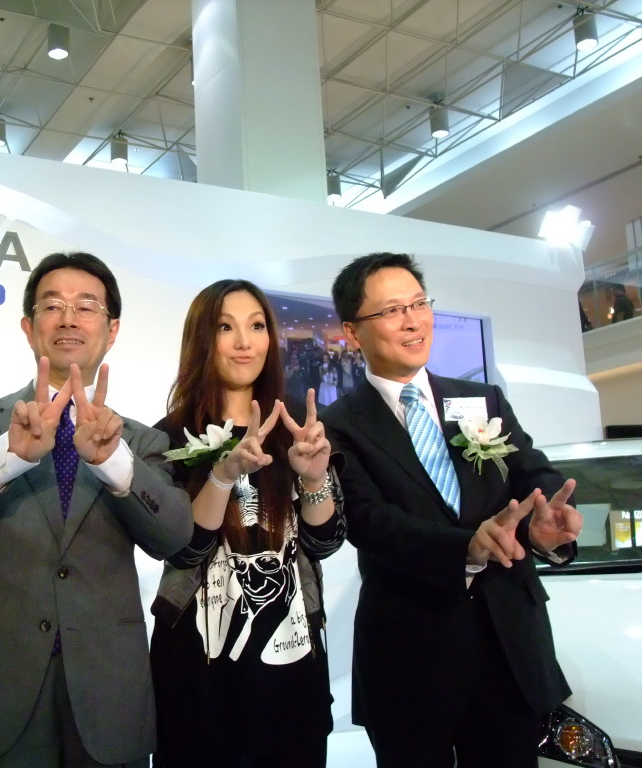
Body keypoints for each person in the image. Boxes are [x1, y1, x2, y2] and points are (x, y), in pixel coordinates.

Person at [0, 251, 193, 768]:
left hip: (106, 694)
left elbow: (174, 536)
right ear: (28, 327)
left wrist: (114, 462)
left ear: (112, 330)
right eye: (53, 305)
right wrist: (6, 455)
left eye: (86, 306)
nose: (68, 318)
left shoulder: (141, 442)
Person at [320, 252, 583, 768]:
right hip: (409, 657)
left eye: (419, 304)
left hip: (509, 647)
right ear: (352, 332)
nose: (413, 321)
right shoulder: (338, 425)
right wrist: (466, 547)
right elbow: (369, 521)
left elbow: (532, 471)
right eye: (392, 310)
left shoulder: (483, 399)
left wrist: (544, 521)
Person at [149, 279, 347, 768]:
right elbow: (184, 550)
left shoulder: (299, 428)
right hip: (198, 672)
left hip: (292, 668)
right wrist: (222, 475)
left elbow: (325, 541)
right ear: (202, 338)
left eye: (257, 326)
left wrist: (314, 477)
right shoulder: (168, 437)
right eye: (225, 327)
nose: (244, 342)